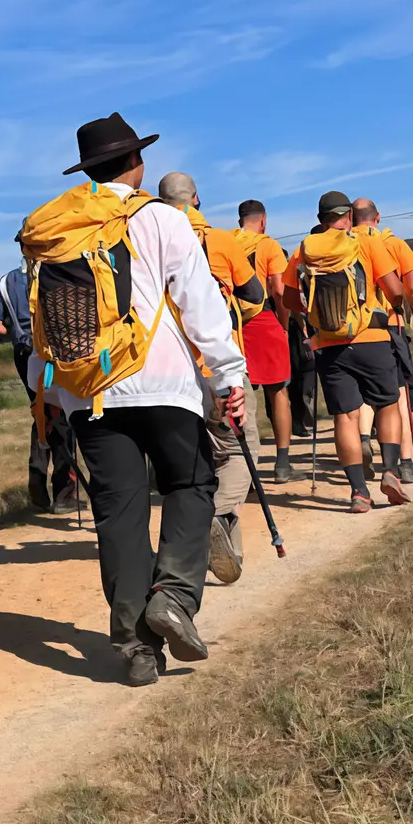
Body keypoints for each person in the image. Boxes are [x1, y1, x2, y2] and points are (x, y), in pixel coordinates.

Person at [53, 116, 246, 687]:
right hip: (163, 381)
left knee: (120, 516)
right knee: (191, 485)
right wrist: (227, 376)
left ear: (88, 170)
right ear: (137, 165)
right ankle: (176, 597)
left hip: (88, 391)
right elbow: (198, 301)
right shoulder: (161, 217)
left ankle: (136, 648)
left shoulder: (58, 226)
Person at [283, 192, 413, 513]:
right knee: (388, 404)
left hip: (329, 345)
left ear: (321, 217)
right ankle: (391, 471)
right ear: (348, 216)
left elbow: (289, 299)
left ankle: (358, 493)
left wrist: (315, 319)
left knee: (346, 417)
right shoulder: (366, 242)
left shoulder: (304, 250)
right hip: (373, 336)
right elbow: (395, 290)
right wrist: (392, 311)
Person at [157, 171, 263, 586]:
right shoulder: (221, 240)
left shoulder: (149, 237)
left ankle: (228, 550)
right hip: (219, 368)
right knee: (239, 451)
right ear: (196, 199)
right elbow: (254, 295)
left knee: (201, 459)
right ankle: (215, 516)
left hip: (172, 371)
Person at [0, 256, 80, 513]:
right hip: (53, 351)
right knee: (63, 418)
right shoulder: (58, 272)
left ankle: (37, 490)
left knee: (40, 415)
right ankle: (64, 494)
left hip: (24, 353)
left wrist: (18, 334)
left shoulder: (6, 281)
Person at [350, 198, 413, 486]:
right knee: (396, 396)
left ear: (350, 217)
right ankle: (406, 463)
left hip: (350, 330)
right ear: (378, 217)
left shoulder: (342, 243)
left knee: (363, 396)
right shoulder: (393, 244)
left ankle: (362, 439)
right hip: (388, 326)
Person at [234, 199, 302, 483]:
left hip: (234, 324)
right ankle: (282, 464)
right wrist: (284, 325)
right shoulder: (268, 244)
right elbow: (278, 288)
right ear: (263, 220)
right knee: (279, 392)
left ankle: (243, 471)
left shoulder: (224, 241)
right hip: (263, 319)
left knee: (240, 397)